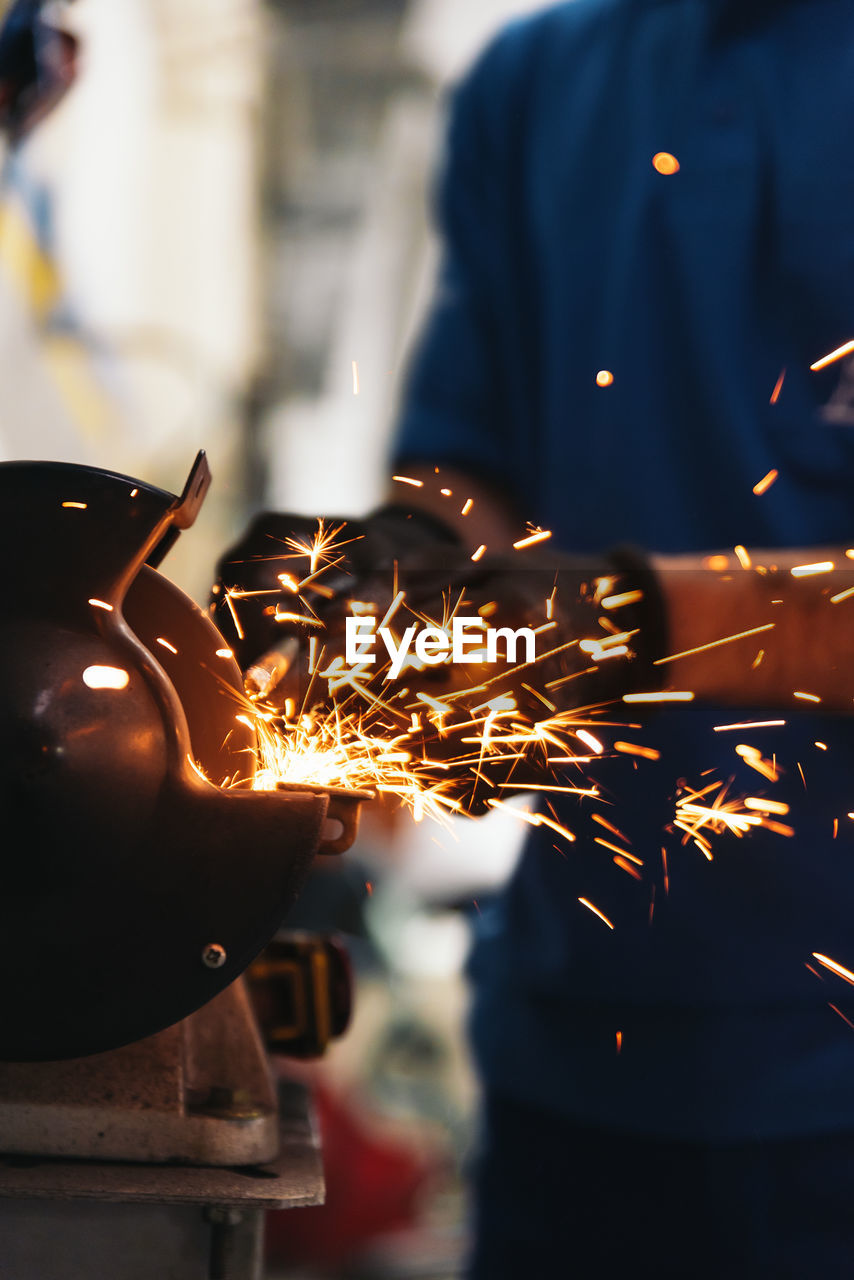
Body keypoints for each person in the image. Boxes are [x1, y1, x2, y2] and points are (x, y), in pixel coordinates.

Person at [217, 1, 854, 1274]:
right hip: (573, 1046)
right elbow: (471, 461)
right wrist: (408, 558)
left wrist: (620, 623)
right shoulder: (535, 78)